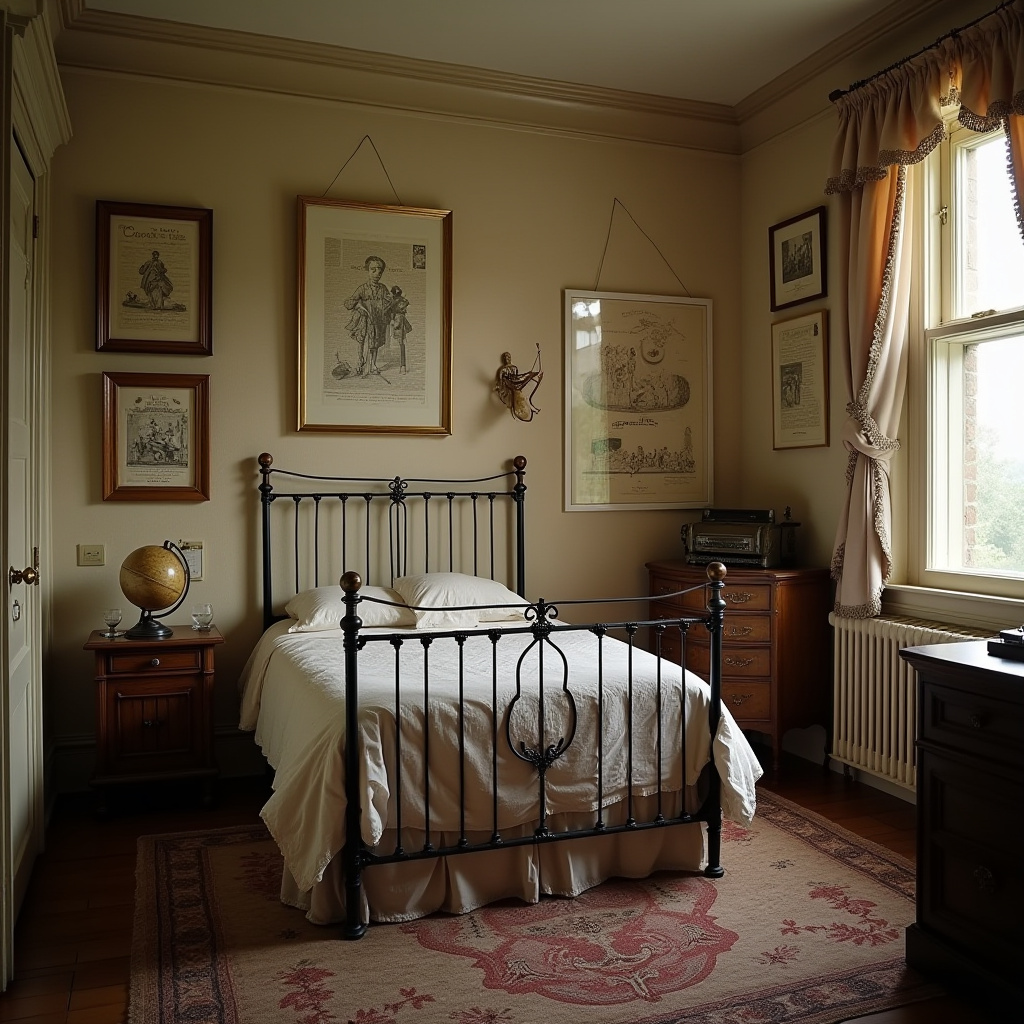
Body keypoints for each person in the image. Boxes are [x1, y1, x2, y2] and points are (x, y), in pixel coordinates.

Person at [343, 255, 394, 375]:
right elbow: (348, 303)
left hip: (378, 321)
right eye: (373, 270)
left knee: (375, 343)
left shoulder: (383, 288)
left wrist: (390, 302)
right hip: (365, 322)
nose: (377, 273)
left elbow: (388, 304)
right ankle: (360, 362)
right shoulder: (362, 289)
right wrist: (358, 306)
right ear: (367, 270)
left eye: (380, 271)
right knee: (362, 341)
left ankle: (373, 364)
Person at [494, 346, 543, 422]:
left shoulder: (514, 368)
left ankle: (529, 406)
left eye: (508, 357)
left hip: (516, 383)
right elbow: (501, 381)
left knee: (528, 376)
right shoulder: (502, 370)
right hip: (509, 385)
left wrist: (530, 375)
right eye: (505, 357)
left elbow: (517, 377)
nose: (507, 358)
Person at [389, 285, 412, 374]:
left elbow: (397, 310)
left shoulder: (400, 301)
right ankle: (403, 366)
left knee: (402, 343)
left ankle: (403, 366)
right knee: (401, 343)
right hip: (396, 321)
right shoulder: (398, 301)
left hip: (399, 322)